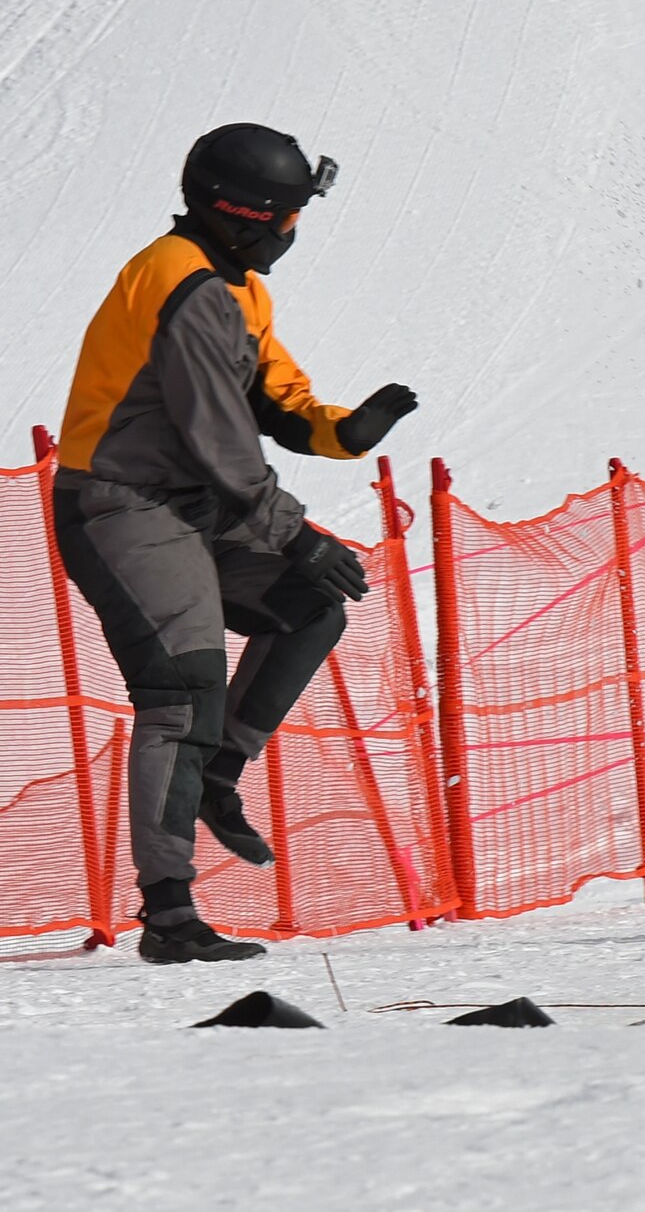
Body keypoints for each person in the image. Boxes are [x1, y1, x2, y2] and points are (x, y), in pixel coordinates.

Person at [53, 123, 419, 963]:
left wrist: (343, 429)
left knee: (308, 611)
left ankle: (217, 777)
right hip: (126, 506)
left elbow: (268, 390)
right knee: (181, 689)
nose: (293, 233)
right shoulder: (184, 289)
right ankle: (170, 916)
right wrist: (295, 534)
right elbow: (222, 442)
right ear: (247, 215)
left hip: (189, 503)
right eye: (288, 216)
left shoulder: (231, 281)